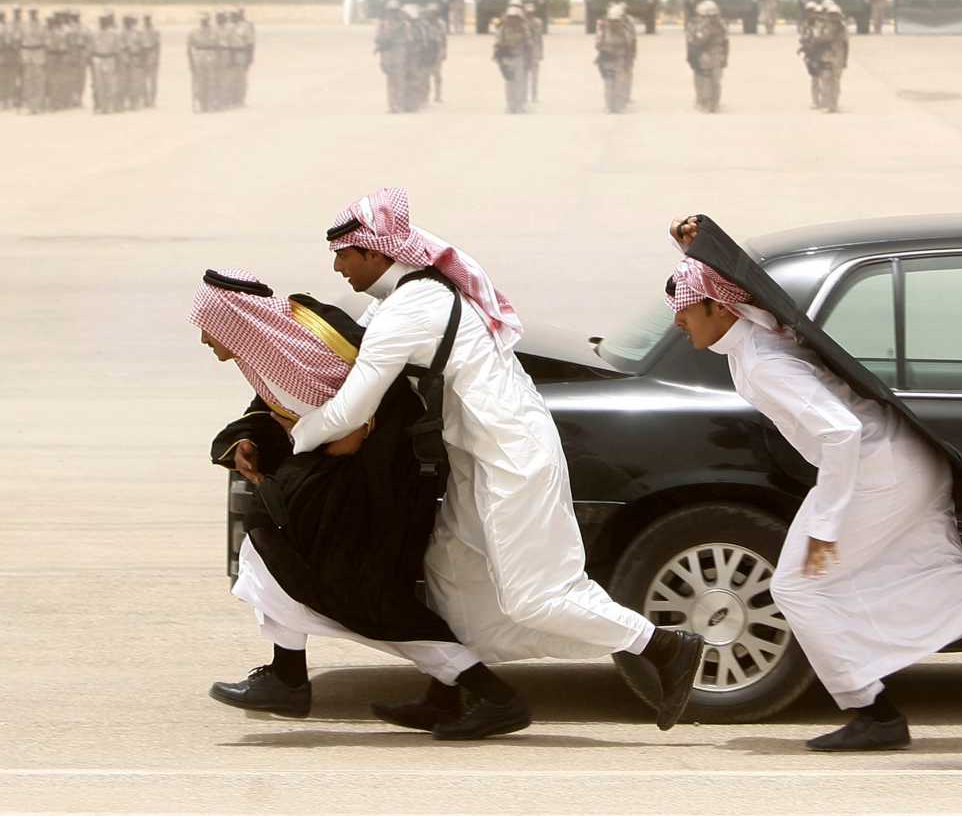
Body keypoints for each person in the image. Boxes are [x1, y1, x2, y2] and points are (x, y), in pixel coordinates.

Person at [663, 214, 962, 752]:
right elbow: (743, 283)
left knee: (796, 587)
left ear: (719, 307)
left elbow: (840, 433)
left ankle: (872, 711)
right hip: (906, 463)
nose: (677, 321)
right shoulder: (753, 337)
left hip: (878, 471)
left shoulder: (764, 360)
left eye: (684, 309)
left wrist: (827, 526)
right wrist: (695, 248)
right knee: (953, 589)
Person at [287, 188, 706, 735]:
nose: (337, 267)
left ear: (375, 252)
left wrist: (295, 438)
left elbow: (352, 408)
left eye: (344, 254)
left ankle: (664, 647)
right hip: (478, 457)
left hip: (513, 456)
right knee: (450, 573)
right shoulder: (404, 297)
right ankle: (451, 695)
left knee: (535, 596)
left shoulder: (413, 307)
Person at [191, 269, 529, 738]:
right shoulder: (274, 354)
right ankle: (289, 677)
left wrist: (336, 441)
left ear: (233, 323)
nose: (204, 339)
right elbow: (279, 412)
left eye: (207, 327)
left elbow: (365, 412)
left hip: (376, 491)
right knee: (283, 561)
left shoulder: (315, 345)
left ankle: (494, 697)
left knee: (361, 598)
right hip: (347, 487)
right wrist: (246, 441)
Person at [685, 0, 729, 114]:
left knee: (705, 79)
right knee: (713, 80)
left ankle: (706, 103)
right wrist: (724, 58)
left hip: (707, 56)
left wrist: (692, 57)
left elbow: (696, 42)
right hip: (714, 56)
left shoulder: (702, 26)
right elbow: (725, 43)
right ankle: (712, 103)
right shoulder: (721, 25)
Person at [808, 0, 850, 114]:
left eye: (834, 15)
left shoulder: (841, 28)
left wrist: (845, 60)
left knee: (834, 81)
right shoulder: (824, 25)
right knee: (826, 80)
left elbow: (844, 44)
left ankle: (833, 105)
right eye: (831, 15)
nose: (832, 17)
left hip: (837, 58)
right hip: (826, 57)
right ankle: (827, 103)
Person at [595, 3, 637, 114]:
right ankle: (609, 106)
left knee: (619, 83)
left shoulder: (626, 27)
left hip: (620, 59)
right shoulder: (603, 27)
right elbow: (598, 44)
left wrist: (629, 58)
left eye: (616, 21)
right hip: (607, 58)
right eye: (612, 21)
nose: (614, 23)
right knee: (609, 82)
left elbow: (631, 43)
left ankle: (618, 106)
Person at [492, 4, 532, 114]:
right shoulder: (502, 29)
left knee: (520, 83)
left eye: (515, 17)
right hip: (507, 58)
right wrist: (499, 61)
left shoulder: (523, 29)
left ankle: (519, 105)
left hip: (519, 58)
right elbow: (497, 45)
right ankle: (510, 105)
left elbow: (528, 45)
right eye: (511, 17)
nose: (513, 20)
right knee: (509, 83)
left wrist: (529, 60)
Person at [374, 4, 411, 114]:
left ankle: (399, 105)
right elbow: (377, 38)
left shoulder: (404, 24)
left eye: (394, 11)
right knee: (391, 81)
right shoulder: (383, 24)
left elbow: (409, 40)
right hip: (389, 54)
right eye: (391, 11)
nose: (392, 13)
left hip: (399, 54)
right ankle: (392, 105)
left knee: (399, 81)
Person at [188, 12, 218, 114]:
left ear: (208, 20)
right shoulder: (194, 32)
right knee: (199, 82)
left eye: (205, 20)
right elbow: (189, 48)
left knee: (211, 81)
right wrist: (191, 62)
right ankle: (201, 104)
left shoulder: (214, 32)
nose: (204, 22)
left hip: (211, 56)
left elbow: (218, 47)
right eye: (202, 20)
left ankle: (210, 103)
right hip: (199, 57)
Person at [18, 8, 47, 114]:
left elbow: (45, 41)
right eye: (31, 13)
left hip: (38, 53)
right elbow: (19, 41)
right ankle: (29, 105)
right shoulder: (24, 26)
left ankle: (38, 104)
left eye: (34, 13)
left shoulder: (42, 26)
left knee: (39, 80)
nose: (33, 15)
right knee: (28, 80)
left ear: (37, 14)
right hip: (27, 54)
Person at [797, 0, 825, 109]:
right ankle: (816, 101)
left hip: (822, 53)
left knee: (824, 78)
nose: (810, 13)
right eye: (808, 11)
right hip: (812, 55)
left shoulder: (822, 24)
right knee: (815, 78)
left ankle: (825, 100)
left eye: (812, 11)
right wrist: (804, 47)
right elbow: (803, 38)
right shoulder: (806, 25)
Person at [421, 5, 448, 104]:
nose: (432, 15)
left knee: (437, 75)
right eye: (430, 13)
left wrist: (444, 51)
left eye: (434, 13)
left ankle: (438, 96)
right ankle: (425, 96)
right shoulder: (424, 24)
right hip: (427, 51)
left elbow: (444, 38)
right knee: (426, 75)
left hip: (438, 50)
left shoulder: (441, 24)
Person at [524, 1, 544, 104]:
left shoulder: (538, 22)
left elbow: (540, 39)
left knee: (534, 77)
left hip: (534, 52)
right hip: (524, 52)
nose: (529, 14)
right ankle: (524, 96)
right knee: (523, 76)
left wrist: (541, 53)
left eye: (531, 12)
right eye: (528, 12)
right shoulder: (522, 23)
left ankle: (534, 96)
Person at [141, 15, 161, 108]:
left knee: (153, 80)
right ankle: (145, 100)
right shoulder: (141, 31)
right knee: (143, 80)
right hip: (143, 56)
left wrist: (157, 59)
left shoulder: (155, 31)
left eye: (148, 19)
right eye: (146, 19)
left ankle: (152, 100)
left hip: (152, 56)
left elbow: (158, 46)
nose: (147, 21)